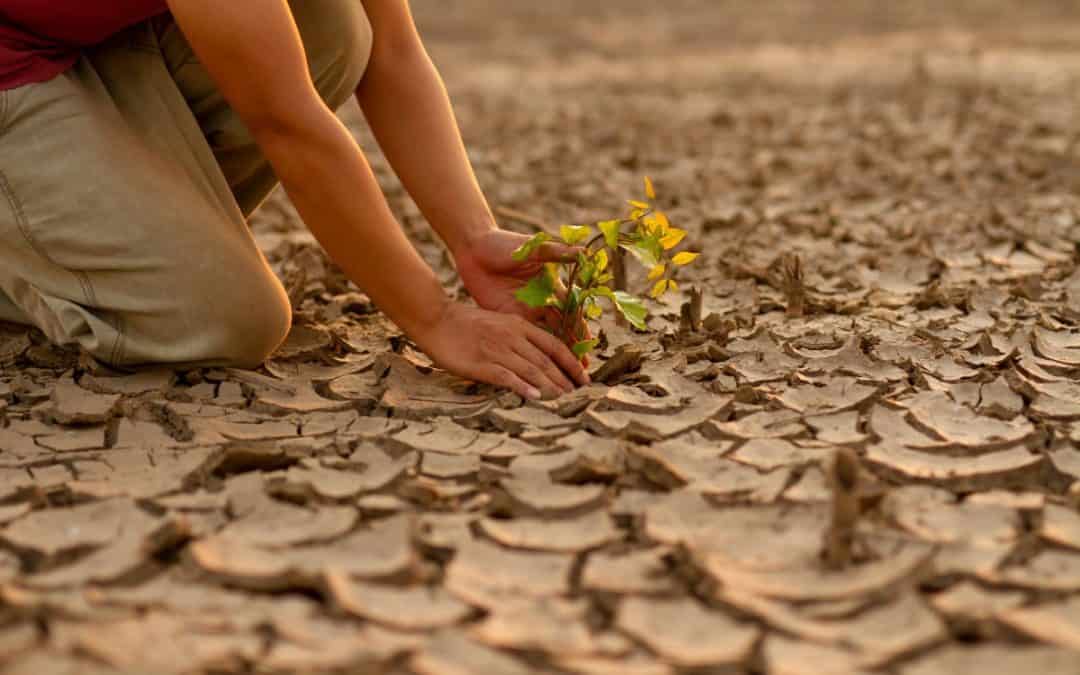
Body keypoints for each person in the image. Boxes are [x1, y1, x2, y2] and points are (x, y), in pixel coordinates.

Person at [0, 0, 590, 400]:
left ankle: (101, 231)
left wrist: (472, 238)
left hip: (74, 42)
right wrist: (436, 319)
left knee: (332, 24)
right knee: (226, 316)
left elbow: (392, 50)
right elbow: (288, 124)